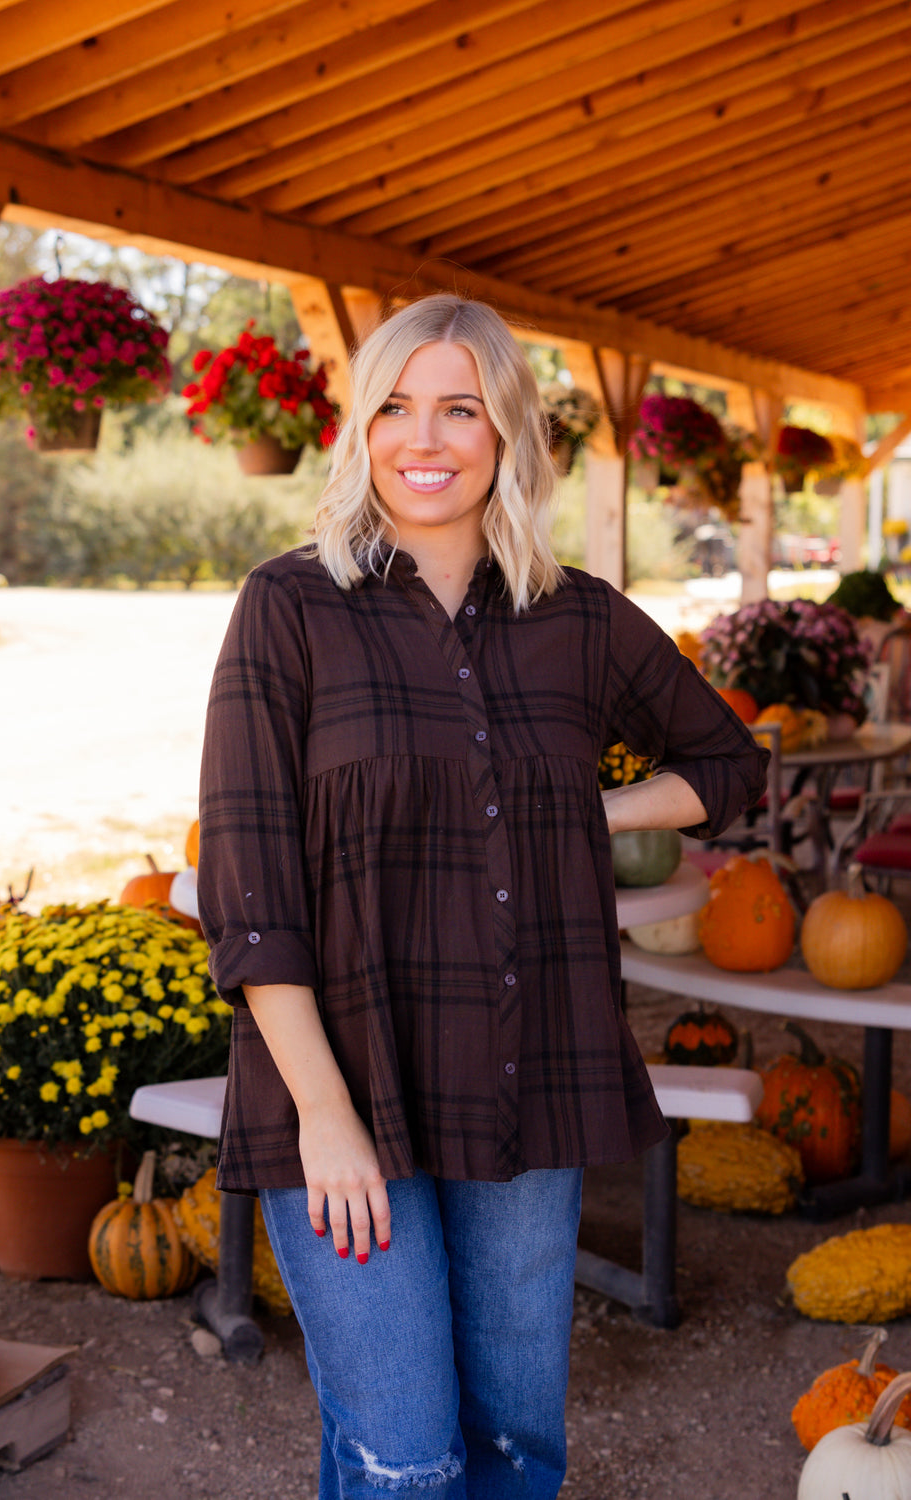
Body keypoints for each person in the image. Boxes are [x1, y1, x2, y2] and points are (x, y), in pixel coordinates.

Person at [197, 294, 768, 1499]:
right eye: (396, 406)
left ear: (507, 433)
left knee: (513, 1453)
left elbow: (727, 767)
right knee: (406, 1457)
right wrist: (324, 1114)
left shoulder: (580, 623)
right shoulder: (289, 609)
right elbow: (252, 896)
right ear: (360, 431)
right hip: (342, 1090)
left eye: (460, 407)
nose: (426, 437)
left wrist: (581, 808)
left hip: (530, 1086)